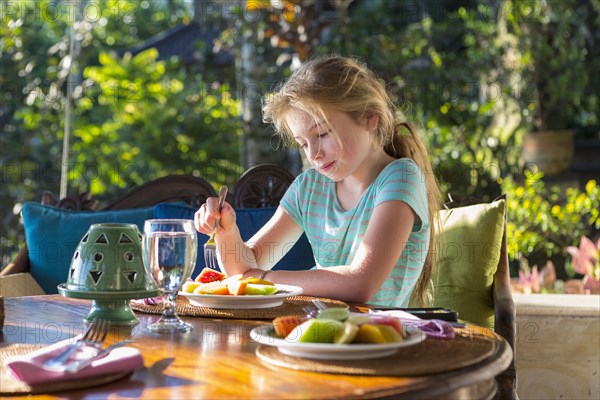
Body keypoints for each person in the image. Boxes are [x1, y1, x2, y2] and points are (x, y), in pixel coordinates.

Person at [195, 56, 441, 307]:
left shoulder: (400, 178)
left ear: (369, 118)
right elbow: (246, 267)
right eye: (303, 143)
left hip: (381, 338)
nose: (313, 154)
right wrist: (227, 231)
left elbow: (360, 284)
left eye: (322, 134)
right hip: (321, 332)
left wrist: (265, 279)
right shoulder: (310, 187)